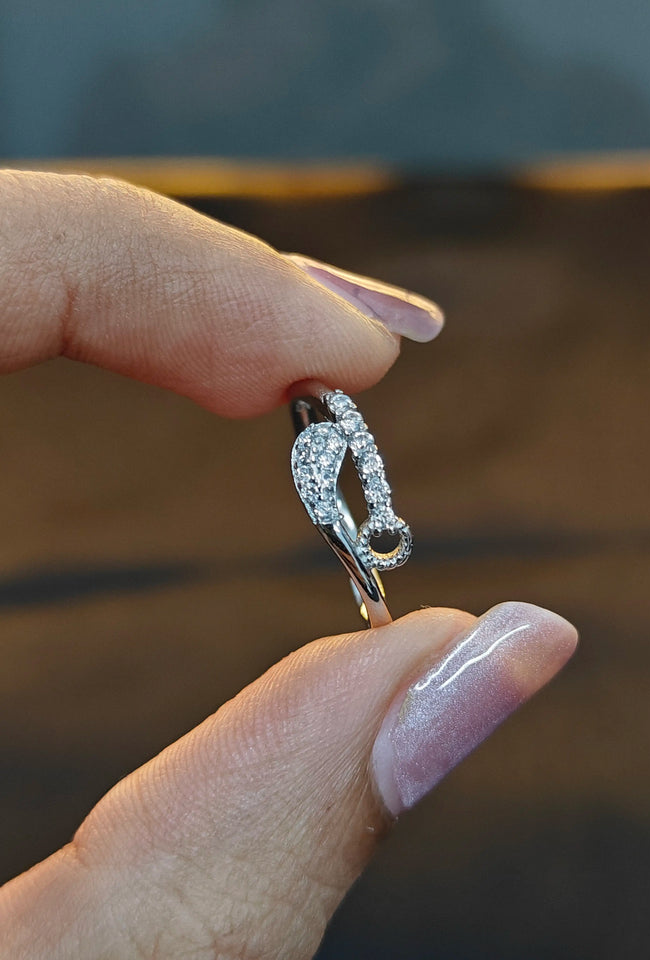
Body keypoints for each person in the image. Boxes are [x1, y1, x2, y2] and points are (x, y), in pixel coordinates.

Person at [0, 171, 578, 959]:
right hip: (333, 475)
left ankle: (369, 593)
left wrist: (380, 511)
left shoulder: (330, 430)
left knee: (351, 547)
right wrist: (373, 517)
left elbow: (365, 463)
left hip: (344, 477)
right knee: (345, 543)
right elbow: (353, 472)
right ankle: (370, 594)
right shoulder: (316, 437)